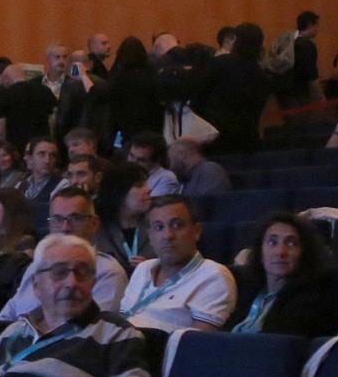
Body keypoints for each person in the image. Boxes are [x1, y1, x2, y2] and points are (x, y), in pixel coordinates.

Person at [0, 234, 155, 377]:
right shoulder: (13, 333)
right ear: (37, 285)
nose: (72, 282)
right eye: (59, 272)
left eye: (83, 273)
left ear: (93, 283)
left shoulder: (116, 333)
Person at [0, 187, 130, 321]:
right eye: (57, 219)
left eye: (75, 218)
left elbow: (91, 330)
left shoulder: (108, 273)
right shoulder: (37, 266)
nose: (65, 227)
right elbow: (7, 315)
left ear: (94, 224)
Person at [121, 194, 238, 332]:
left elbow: (195, 346)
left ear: (196, 231)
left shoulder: (213, 275)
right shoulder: (143, 268)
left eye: (177, 225)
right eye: (159, 227)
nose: (168, 235)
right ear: (150, 236)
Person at [228, 212, 338, 336]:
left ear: (304, 253)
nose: (280, 252)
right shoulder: (247, 291)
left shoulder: (317, 298)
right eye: (272, 242)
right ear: (260, 252)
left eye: (291, 244)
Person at [193, 21, 274, 153]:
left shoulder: (217, 64)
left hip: (215, 137)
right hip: (247, 140)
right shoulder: (261, 75)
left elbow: (198, 99)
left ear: (236, 40)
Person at [97, 36, 165, 148]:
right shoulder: (152, 74)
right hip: (152, 129)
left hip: (126, 130)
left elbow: (109, 101)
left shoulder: (118, 76)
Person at [93, 163, 152, 268]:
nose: (148, 189)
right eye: (139, 185)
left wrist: (151, 267)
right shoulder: (97, 226)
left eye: (146, 184)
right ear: (119, 192)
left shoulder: (155, 222)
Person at [276, 12, 321, 107]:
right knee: (303, 120)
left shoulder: (289, 42)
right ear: (310, 25)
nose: (317, 29)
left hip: (282, 91)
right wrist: (320, 97)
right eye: (316, 26)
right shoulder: (307, 45)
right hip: (299, 93)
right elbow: (311, 74)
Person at [166, 137, 231, 197]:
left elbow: (206, 204)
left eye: (171, 159)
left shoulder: (210, 170)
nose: (170, 166)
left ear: (182, 154)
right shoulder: (184, 178)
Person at [125, 130, 180, 199]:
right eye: (131, 156)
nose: (133, 162)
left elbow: (150, 207)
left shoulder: (166, 179)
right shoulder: (126, 173)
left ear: (156, 160)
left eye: (141, 160)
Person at [19, 137, 63, 202]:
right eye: (41, 154)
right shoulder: (20, 185)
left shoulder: (62, 185)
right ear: (30, 158)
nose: (47, 160)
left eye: (52, 155)